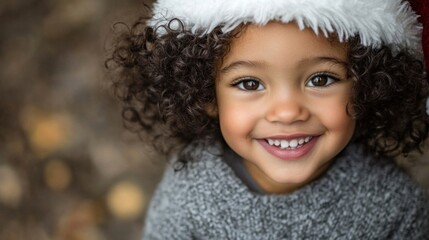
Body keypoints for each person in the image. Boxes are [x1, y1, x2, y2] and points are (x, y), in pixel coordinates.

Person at [107, 0, 429, 239]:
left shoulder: (393, 207)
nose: (287, 112)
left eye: (321, 79)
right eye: (249, 83)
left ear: (368, 85)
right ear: (206, 96)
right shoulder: (189, 196)